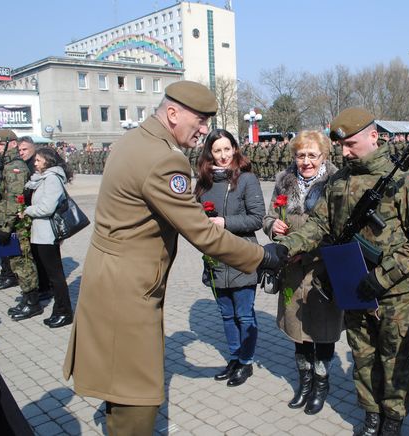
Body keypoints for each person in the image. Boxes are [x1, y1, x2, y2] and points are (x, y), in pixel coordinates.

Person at [62, 80, 286, 436]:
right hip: (128, 292)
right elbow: (203, 233)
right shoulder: (164, 159)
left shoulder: (132, 142)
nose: (203, 132)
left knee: (118, 383)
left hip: (109, 279)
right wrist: (263, 257)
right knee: (137, 397)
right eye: (199, 122)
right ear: (172, 113)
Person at [276, 108, 409, 435]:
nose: (345, 152)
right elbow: (319, 224)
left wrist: (382, 277)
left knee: (395, 360)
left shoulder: (403, 181)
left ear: (373, 136)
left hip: (394, 293)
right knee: (363, 357)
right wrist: (287, 247)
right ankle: (370, 417)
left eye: (351, 144)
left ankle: (392, 422)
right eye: (341, 145)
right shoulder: (339, 181)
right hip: (352, 287)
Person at [262, 130, 342, 415]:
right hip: (292, 270)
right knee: (297, 331)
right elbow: (269, 214)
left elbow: (340, 227)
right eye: (300, 155)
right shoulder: (284, 181)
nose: (305, 161)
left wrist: (313, 248)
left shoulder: (337, 182)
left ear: (324, 156)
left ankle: (321, 385)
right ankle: (304, 383)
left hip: (322, 271)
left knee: (322, 332)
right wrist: (272, 226)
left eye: (312, 155)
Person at [194, 129, 265, 387]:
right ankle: (234, 358)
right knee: (226, 314)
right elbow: (194, 218)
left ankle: (246, 362)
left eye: (227, 149)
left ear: (235, 149)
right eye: (217, 151)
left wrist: (225, 222)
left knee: (244, 314)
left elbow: (257, 218)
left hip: (242, 256)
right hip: (215, 260)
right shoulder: (204, 184)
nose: (223, 156)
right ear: (209, 153)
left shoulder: (246, 179)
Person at [19, 147, 74, 328]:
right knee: (51, 275)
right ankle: (59, 309)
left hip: (48, 235)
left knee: (55, 276)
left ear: (48, 161)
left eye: (38, 160)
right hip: (40, 234)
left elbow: (47, 208)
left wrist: (27, 211)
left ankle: (64, 312)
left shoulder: (52, 179)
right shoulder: (41, 179)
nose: (35, 163)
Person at [0, 130, 40, 319]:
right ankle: (27, 298)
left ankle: (33, 302)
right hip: (8, 222)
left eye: (0, 144)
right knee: (15, 261)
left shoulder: (15, 167)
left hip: (16, 224)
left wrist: (6, 227)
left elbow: (15, 200)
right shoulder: (6, 164)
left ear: (11, 144)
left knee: (23, 262)